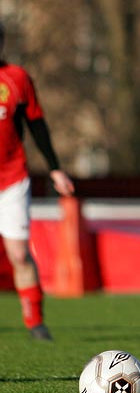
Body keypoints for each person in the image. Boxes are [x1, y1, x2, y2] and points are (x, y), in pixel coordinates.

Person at [0, 21, 75, 341]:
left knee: (18, 253)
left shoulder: (16, 78)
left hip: (12, 178)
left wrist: (55, 168)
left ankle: (35, 322)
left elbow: (36, 124)